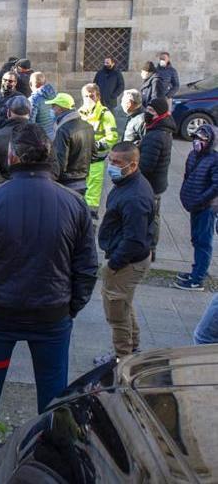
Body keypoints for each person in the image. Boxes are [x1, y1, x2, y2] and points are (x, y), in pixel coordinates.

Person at [0, 124, 97, 457]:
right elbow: (87, 267)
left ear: (13, 156)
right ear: (48, 155)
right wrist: (71, 305)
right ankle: (53, 450)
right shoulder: (74, 204)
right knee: (53, 387)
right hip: (51, 313)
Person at [94, 142, 155, 366]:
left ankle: (122, 359)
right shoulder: (128, 183)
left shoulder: (134, 196)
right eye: (110, 160)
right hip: (128, 258)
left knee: (116, 312)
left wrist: (113, 264)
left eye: (117, 162)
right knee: (125, 306)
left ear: (133, 164)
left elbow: (134, 239)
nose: (111, 165)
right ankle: (133, 347)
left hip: (126, 263)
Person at [175, 124, 218, 291]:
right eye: (196, 138)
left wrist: (201, 200)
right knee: (196, 239)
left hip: (206, 207)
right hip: (195, 205)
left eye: (202, 139)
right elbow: (188, 176)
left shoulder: (214, 160)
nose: (198, 142)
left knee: (203, 242)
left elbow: (215, 186)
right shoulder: (193, 155)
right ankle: (197, 271)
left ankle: (197, 279)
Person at [138, 98, 176, 261]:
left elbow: (146, 166)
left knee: (151, 218)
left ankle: (149, 249)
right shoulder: (162, 129)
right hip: (157, 183)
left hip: (150, 184)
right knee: (153, 216)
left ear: (159, 114)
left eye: (152, 111)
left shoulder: (155, 135)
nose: (148, 113)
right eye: (148, 109)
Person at [79, 83, 118, 216]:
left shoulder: (105, 114)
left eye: (92, 96)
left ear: (98, 96)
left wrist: (94, 146)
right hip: (81, 159)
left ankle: (91, 220)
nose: (89, 98)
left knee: (92, 194)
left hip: (96, 160)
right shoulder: (81, 112)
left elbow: (112, 138)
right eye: (86, 96)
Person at [48, 93, 95, 195]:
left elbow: (60, 161)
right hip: (83, 180)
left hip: (67, 183)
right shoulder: (88, 126)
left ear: (60, 109)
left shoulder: (63, 130)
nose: (51, 109)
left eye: (53, 106)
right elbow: (94, 153)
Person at [0, 96, 31, 185]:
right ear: (30, 113)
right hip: (34, 191)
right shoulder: (42, 136)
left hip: (3, 193)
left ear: (8, 113)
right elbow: (52, 168)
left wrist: (5, 189)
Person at [28, 72, 56, 139]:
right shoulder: (54, 95)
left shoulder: (33, 99)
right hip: (53, 135)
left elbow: (30, 123)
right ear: (45, 82)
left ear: (30, 84)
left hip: (41, 139)